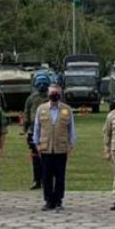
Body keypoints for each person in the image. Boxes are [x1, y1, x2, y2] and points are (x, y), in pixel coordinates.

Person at [33, 82, 75, 211]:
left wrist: (71, 144)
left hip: (61, 148)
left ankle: (58, 201)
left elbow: (71, 128)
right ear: (48, 94)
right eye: (52, 92)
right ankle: (48, 201)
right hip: (46, 148)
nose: (54, 95)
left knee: (60, 176)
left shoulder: (67, 110)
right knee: (46, 176)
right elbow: (37, 127)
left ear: (60, 94)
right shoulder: (41, 109)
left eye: (56, 93)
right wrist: (37, 143)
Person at [23, 73, 49, 190]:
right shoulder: (31, 99)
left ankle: (46, 180)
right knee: (35, 157)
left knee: (47, 157)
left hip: (48, 130)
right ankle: (37, 179)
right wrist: (26, 130)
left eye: (44, 83)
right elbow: (27, 114)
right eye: (40, 83)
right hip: (34, 131)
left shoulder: (51, 97)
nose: (42, 86)